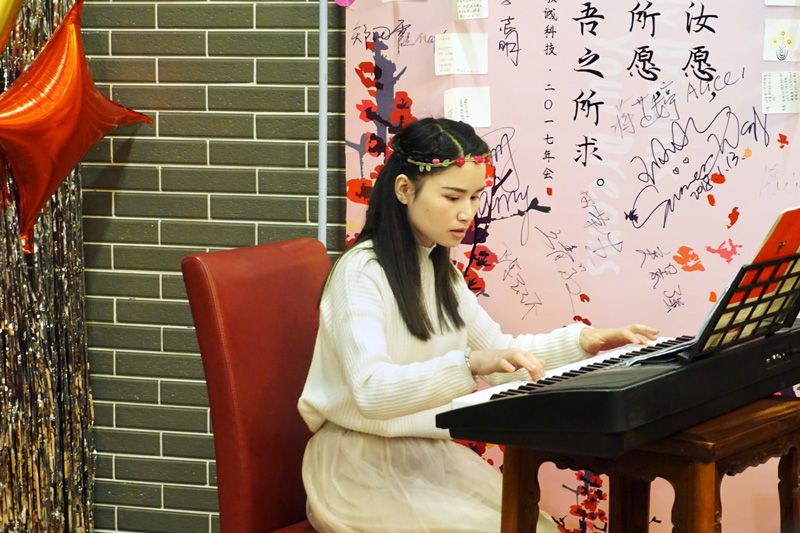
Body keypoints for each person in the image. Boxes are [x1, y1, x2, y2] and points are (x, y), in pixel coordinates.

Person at [298, 117, 659, 532]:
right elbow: (370, 392)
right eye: (452, 196)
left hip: (426, 456)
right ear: (404, 189)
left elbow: (504, 358)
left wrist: (586, 342)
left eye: (474, 197)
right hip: (356, 467)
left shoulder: (442, 275)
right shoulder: (361, 274)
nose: (466, 213)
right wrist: (468, 364)